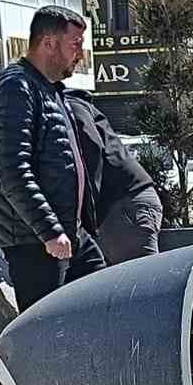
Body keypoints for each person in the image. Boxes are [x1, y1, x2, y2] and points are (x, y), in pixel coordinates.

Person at [0, 6, 106, 310]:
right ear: (48, 43)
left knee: (104, 300)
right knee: (48, 325)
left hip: (68, 233)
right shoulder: (16, 87)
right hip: (35, 241)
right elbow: (13, 170)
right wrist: (49, 231)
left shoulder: (49, 90)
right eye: (75, 44)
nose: (80, 54)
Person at [67, 90, 163, 265]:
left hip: (123, 203)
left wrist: (87, 212)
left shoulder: (71, 106)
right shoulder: (75, 105)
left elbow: (91, 151)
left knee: (140, 277)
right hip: (124, 203)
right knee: (133, 276)